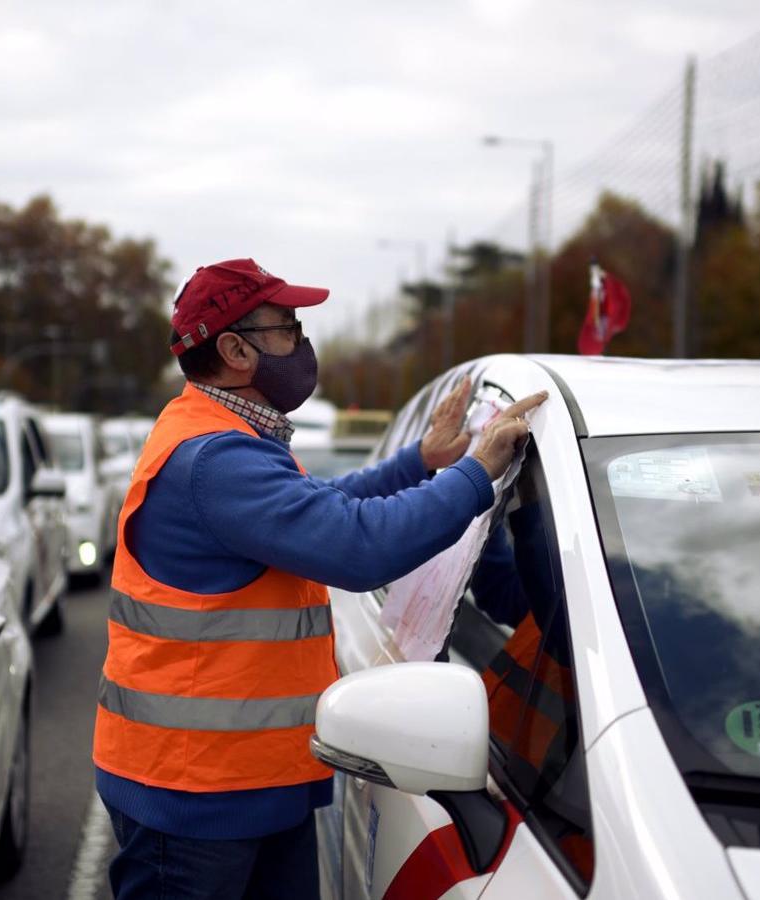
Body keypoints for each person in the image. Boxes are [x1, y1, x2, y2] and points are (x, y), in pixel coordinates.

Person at [93, 258, 546, 899]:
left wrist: (421, 462)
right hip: (193, 796)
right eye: (288, 328)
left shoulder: (225, 437)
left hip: (239, 783)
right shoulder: (216, 459)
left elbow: (321, 505)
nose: (303, 344)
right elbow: (358, 547)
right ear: (235, 350)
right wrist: (475, 472)